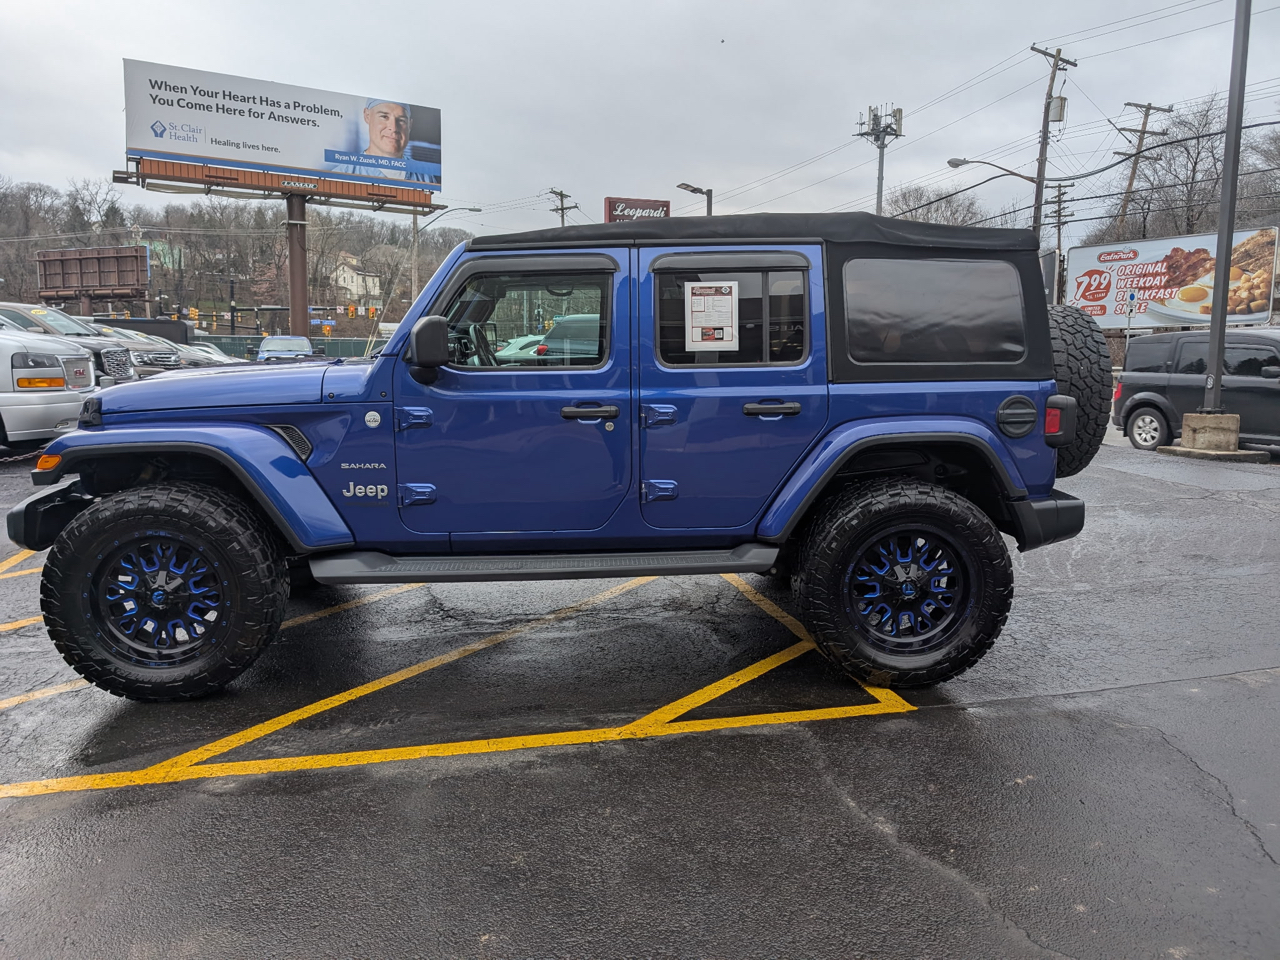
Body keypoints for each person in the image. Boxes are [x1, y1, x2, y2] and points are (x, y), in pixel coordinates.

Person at [329, 99, 427, 182]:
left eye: (401, 120)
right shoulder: (341, 176)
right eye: (384, 117)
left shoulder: (424, 175)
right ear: (367, 116)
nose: (393, 128)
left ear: (410, 125)